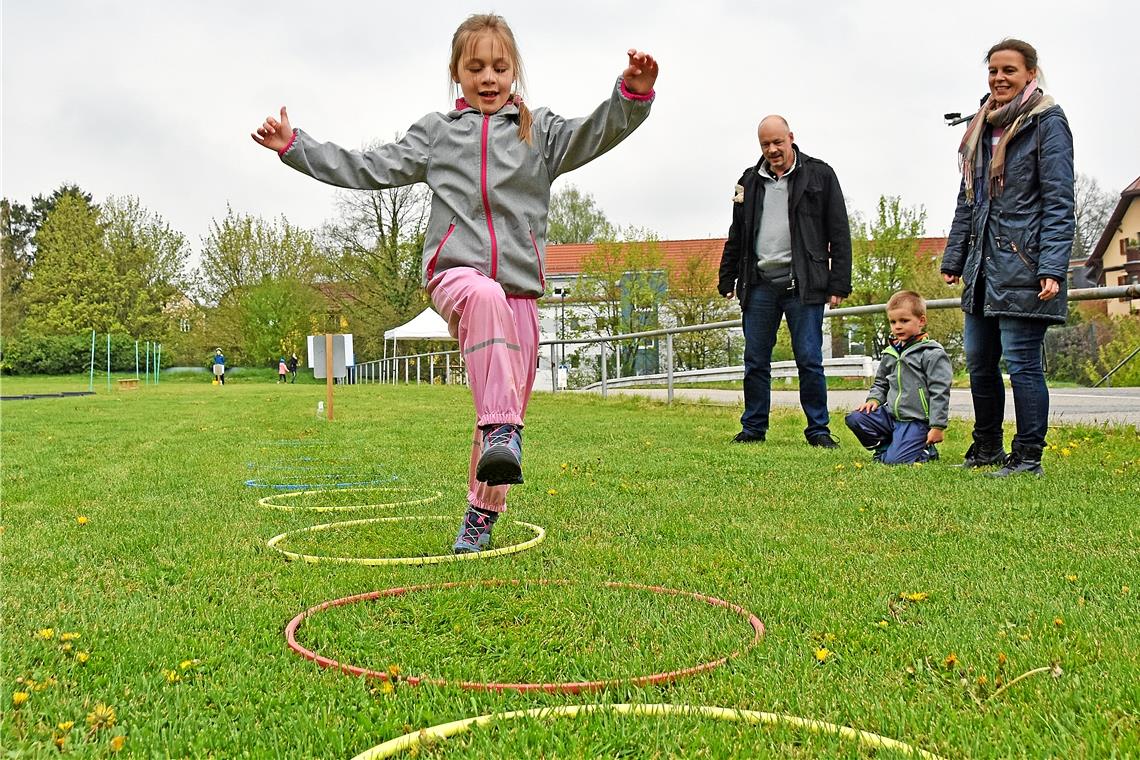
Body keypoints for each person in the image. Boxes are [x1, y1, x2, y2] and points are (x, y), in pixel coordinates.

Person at [252, 13, 657, 552]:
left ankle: (480, 519)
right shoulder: (437, 135)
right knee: (496, 391)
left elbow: (598, 131)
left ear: (514, 72)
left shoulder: (542, 134)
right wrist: (294, 146)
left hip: (520, 292)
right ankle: (500, 431)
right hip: (457, 277)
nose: (488, 78)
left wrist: (632, 92)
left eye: (499, 66)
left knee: (505, 414)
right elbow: (368, 166)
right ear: (457, 73)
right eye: (475, 67)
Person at [942, 38, 1074, 477]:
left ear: (1030, 74)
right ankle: (987, 447)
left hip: (1026, 262)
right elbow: (969, 198)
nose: (999, 78)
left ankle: (1028, 456)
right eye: (993, 71)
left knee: (1021, 364)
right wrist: (954, 256)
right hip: (982, 265)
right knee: (979, 360)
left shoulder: (1047, 122)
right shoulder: (981, 126)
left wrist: (1052, 266)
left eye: (1009, 71)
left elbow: (1058, 200)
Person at [717, 115, 851, 448]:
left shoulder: (820, 175)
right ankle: (753, 427)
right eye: (766, 144)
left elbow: (839, 231)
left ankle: (818, 430)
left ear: (791, 137)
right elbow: (738, 234)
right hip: (760, 283)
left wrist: (839, 283)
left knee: (809, 359)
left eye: (778, 142)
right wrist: (727, 275)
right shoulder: (748, 182)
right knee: (755, 360)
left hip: (803, 284)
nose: (773, 150)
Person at [844, 291, 952, 465]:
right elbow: (881, 383)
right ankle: (887, 446)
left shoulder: (931, 354)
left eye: (904, 321)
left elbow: (940, 391)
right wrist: (874, 399)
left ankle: (925, 451)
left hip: (915, 420)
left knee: (893, 462)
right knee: (856, 418)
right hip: (891, 416)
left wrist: (937, 426)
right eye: (893, 322)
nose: (897, 327)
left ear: (921, 321)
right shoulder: (891, 352)